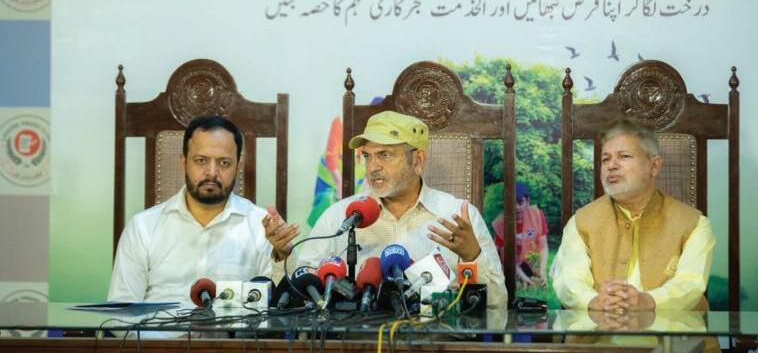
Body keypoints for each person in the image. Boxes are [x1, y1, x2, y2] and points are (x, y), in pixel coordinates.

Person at [264, 111, 508, 308]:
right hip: (355, 344)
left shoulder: (458, 216)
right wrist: (283, 255)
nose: (372, 167)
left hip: (436, 342)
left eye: (384, 155)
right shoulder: (340, 217)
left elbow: (497, 304)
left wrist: (472, 255)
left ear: (418, 160)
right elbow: (300, 297)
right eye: (367, 157)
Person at [108, 116, 281, 305]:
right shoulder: (143, 227)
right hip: (159, 325)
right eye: (201, 160)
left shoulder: (262, 227)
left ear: (238, 166)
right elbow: (121, 310)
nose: (212, 172)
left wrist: (283, 256)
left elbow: (278, 310)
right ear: (183, 162)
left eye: (224, 163)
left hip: (235, 326)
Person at [552, 119, 715, 313]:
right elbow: (568, 280)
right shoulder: (581, 221)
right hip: (599, 329)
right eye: (605, 159)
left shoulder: (694, 224)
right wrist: (595, 302)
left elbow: (690, 285)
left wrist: (647, 302)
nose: (611, 166)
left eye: (624, 156)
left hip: (672, 331)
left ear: (654, 166)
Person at [492, 182, 549, 288]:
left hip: (529, 263)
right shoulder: (501, 223)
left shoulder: (537, 215)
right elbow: (505, 255)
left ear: (527, 201)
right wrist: (522, 276)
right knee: (513, 283)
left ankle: (529, 277)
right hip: (509, 265)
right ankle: (519, 279)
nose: (517, 207)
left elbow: (543, 246)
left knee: (537, 281)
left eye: (520, 202)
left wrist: (543, 270)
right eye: (512, 203)